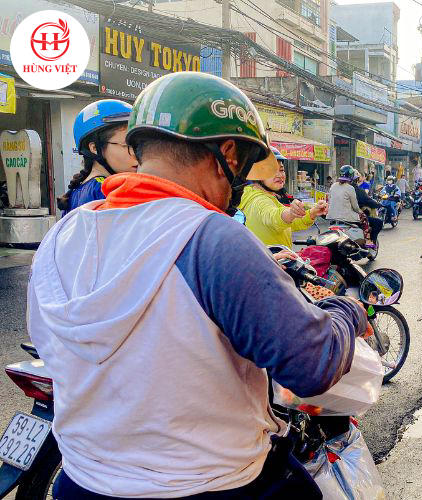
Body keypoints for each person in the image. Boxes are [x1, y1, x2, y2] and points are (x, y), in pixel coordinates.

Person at [27, 72, 370, 499]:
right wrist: (347, 312)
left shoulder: (61, 236)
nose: (238, 183)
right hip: (214, 485)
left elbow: (51, 346)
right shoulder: (211, 236)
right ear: (226, 153)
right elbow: (311, 366)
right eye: (243, 165)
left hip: (81, 482)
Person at [57, 99, 138, 214]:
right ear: (94, 148)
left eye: (138, 146)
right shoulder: (108, 192)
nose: (135, 154)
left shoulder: (74, 194)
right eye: (127, 146)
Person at [238, 147, 328, 247]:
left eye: (281, 170)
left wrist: (312, 213)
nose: (280, 175)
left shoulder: (259, 195)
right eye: (272, 170)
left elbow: (290, 224)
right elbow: (273, 217)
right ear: (256, 174)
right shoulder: (259, 200)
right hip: (272, 260)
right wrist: (290, 212)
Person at [351, 171, 383, 241]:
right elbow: (366, 200)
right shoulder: (354, 190)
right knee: (378, 222)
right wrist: (379, 205)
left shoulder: (334, 188)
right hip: (352, 217)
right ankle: (371, 241)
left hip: (336, 219)